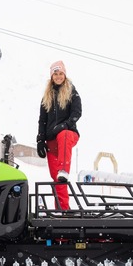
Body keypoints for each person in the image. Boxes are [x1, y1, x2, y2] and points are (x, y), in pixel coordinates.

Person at [36, 60, 82, 210]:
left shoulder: (71, 92)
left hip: (67, 136)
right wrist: (40, 140)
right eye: (55, 74)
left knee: (64, 135)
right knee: (57, 180)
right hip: (51, 141)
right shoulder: (46, 97)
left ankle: (64, 170)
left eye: (60, 73)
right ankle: (62, 211)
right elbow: (42, 120)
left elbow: (77, 112)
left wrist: (65, 125)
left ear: (65, 74)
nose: (58, 76)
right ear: (51, 76)